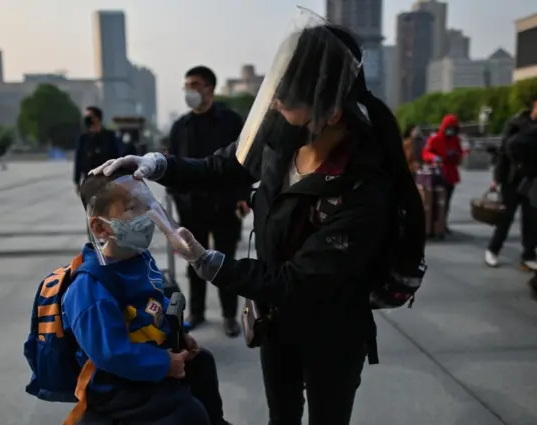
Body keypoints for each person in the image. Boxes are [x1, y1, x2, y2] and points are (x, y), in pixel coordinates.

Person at [92, 14, 426, 425]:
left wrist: (205, 260)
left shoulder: (364, 187)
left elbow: (295, 283)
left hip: (333, 330)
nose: (275, 107)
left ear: (331, 113)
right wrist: (158, 164)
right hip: (276, 322)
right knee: (281, 415)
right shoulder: (282, 138)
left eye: (286, 103)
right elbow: (223, 166)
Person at [64, 170, 231, 425]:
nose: (145, 216)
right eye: (132, 208)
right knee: (188, 414)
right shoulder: (91, 287)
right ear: (99, 227)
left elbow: (156, 303)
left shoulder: (139, 260)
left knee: (203, 363)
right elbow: (111, 354)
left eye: (144, 206)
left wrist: (178, 334)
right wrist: (164, 364)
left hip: (148, 355)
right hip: (116, 384)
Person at [168, 65, 250, 336]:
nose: (190, 90)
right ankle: (198, 311)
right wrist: (179, 198)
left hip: (225, 205)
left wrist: (242, 197)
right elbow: (174, 167)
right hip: (192, 209)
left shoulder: (231, 121)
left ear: (210, 89)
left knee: (225, 261)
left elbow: (243, 162)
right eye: (187, 85)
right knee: (194, 262)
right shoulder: (180, 127)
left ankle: (229, 315)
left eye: (195, 84)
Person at [485, 95, 537, 270]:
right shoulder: (516, 124)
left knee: (531, 218)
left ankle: (529, 254)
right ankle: (493, 249)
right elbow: (503, 152)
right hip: (511, 179)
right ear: (534, 105)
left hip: (532, 180)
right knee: (506, 217)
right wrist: (497, 179)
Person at [421, 114, 464, 232]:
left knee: (447, 201)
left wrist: (457, 155)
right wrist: (435, 158)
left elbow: (460, 153)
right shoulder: (435, 139)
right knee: (437, 201)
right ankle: (435, 223)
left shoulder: (456, 140)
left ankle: (442, 223)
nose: (451, 131)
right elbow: (425, 153)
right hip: (438, 173)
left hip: (450, 173)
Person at [73, 106, 123, 191]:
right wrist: (77, 181)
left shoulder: (110, 136)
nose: (87, 119)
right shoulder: (83, 138)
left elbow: (118, 156)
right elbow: (79, 159)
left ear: (97, 118)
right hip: (90, 180)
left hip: (108, 179)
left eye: (89, 116)